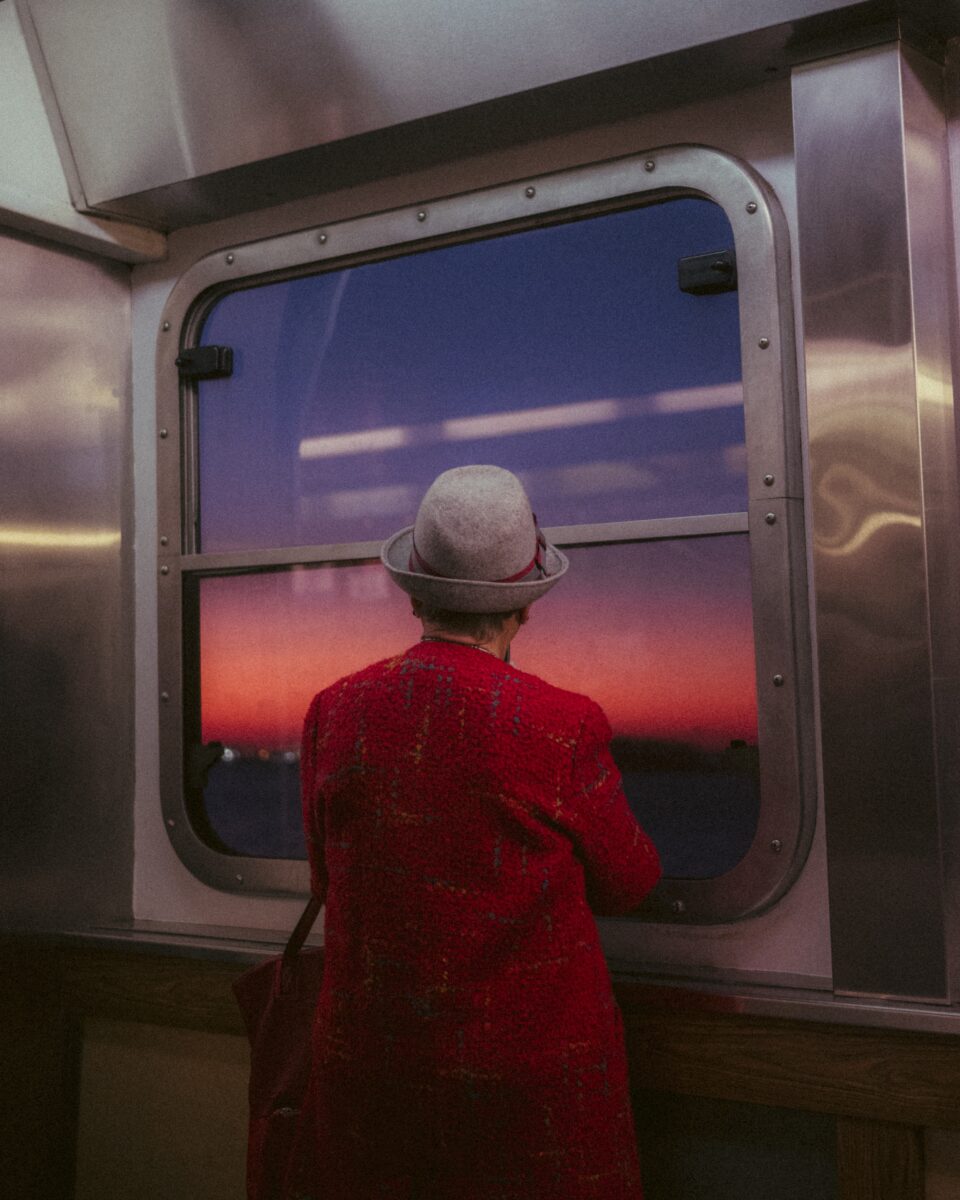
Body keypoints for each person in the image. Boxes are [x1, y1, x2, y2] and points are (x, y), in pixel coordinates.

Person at [291, 464, 662, 1199]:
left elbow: (325, 880)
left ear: (415, 592)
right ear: (524, 607)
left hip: (369, 1080)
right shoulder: (562, 725)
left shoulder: (335, 710)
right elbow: (630, 882)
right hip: (525, 1098)